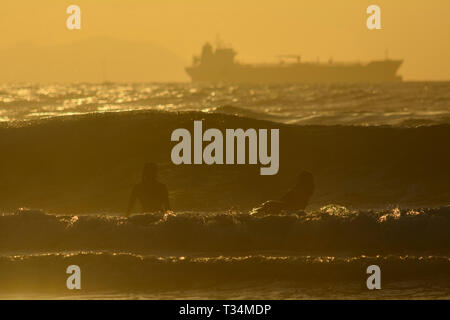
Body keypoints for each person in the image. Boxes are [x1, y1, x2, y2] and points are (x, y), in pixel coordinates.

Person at [250, 171, 315, 215]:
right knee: (269, 204)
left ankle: (252, 215)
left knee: (269, 204)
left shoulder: (300, 189)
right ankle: (255, 214)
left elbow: (291, 200)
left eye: (300, 178)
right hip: (290, 207)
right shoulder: (306, 189)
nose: (298, 179)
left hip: (290, 207)